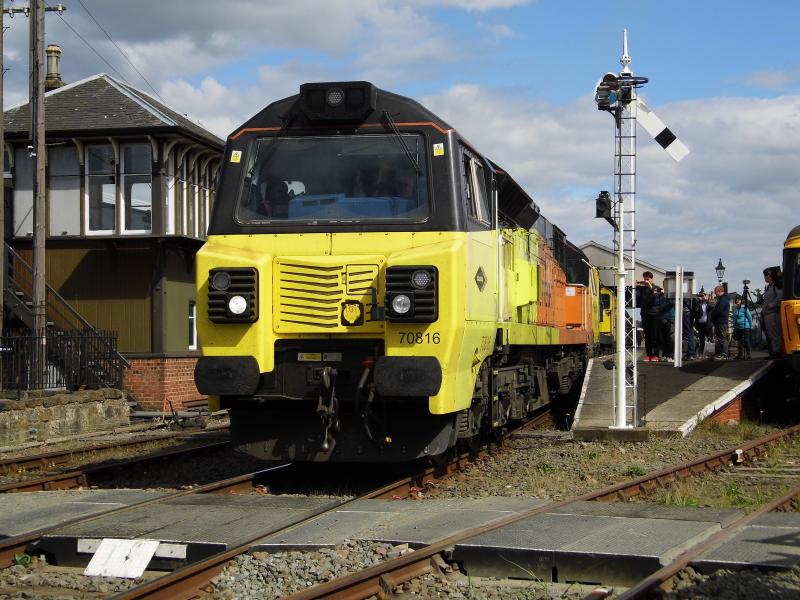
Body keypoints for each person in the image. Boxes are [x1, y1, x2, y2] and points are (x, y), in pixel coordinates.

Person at [636, 271, 661, 361]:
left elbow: (655, 297)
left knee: (654, 335)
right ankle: (648, 354)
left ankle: (655, 355)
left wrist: (650, 286)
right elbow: (637, 298)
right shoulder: (642, 289)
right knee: (647, 335)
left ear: (651, 279)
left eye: (648, 279)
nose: (646, 280)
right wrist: (637, 286)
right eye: (645, 279)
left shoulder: (656, 288)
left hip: (654, 314)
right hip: (645, 313)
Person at [761, 266, 783, 357]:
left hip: (773, 313)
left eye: (765, 276)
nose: (765, 278)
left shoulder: (776, 285)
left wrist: (773, 304)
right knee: (771, 334)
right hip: (767, 314)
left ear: (769, 275)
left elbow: (781, 295)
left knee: (775, 333)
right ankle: (774, 351)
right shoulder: (769, 287)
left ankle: (777, 352)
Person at [709, 285, 730, 359]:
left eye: (715, 292)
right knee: (721, 337)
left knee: (722, 338)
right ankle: (723, 353)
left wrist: (713, 315)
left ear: (719, 291)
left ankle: (724, 354)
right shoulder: (723, 299)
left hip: (721, 321)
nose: (715, 294)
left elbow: (719, 311)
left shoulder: (723, 300)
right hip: (720, 321)